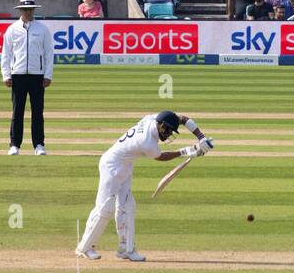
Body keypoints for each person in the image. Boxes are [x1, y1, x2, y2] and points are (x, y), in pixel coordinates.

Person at [76, 110, 214, 262]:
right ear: (161, 125)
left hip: (125, 166)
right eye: (167, 131)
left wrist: (201, 137)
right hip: (111, 166)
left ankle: (126, 249)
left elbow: (181, 118)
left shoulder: (153, 118)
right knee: (105, 208)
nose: (168, 135)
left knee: (128, 207)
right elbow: (160, 157)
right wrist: (189, 150)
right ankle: (84, 247)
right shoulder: (146, 141)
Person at [0, 0, 54, 157]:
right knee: (17, 112)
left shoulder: (42, 29)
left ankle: (39, 144)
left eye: (30, 9)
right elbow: (6, 54)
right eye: (25, 9)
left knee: (37, 111)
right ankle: (15, 144)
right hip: (18, 74)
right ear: (20, 11)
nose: (28, 12)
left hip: (37, 75)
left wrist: (48, 74)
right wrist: (6, 75)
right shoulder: (12, 29)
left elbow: (49, 54)